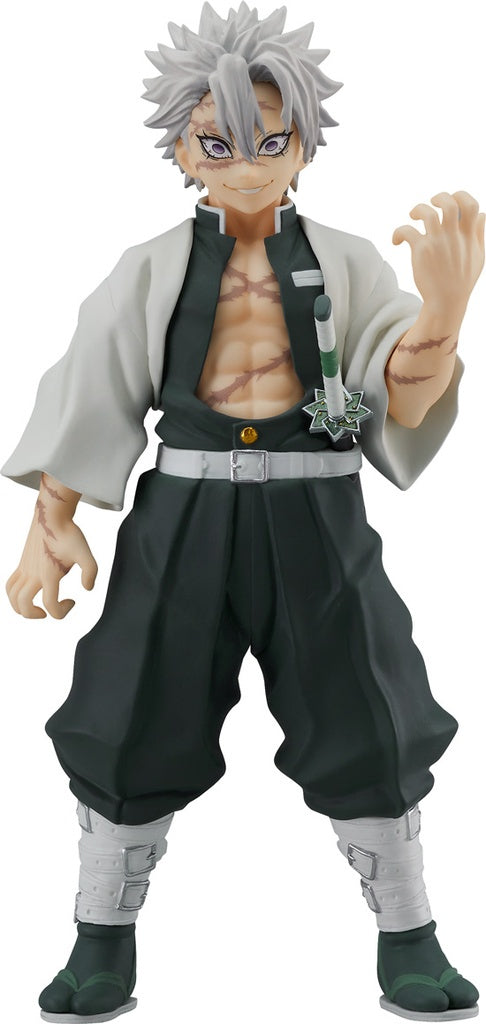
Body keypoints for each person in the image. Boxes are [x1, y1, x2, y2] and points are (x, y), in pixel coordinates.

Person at [2, 3, 484, 1021]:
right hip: (183, 514)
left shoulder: (349, 261)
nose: (250, 165)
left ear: (305, 141)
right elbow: (96, 381)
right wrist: (53, 517)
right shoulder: (151, 268)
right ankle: (101, 939)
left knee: (369, 702)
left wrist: (443, 316)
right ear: (183, 151)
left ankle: (410, 934)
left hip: (318, 513)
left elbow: (399, 392)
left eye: (271, 139)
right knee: (130, 704)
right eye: (218, 143)